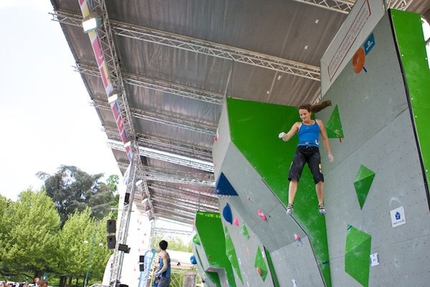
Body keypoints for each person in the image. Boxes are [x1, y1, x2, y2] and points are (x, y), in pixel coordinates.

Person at [278, 100, 334, 215]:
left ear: (310, 113)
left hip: (314, 151)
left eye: (304, 114)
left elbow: (325, 138)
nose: (303, 116)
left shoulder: (318, 123)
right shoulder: (298, 125)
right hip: (301, 151)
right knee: (294, 175)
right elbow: (288, 137)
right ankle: (290, 204)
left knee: (318, 177)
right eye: (301, 114)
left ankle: (321, 204)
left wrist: (329, 152)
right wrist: (284, 136)